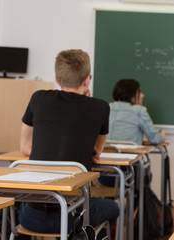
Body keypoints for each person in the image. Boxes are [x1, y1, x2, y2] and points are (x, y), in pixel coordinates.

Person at [19, 49, 119, 236]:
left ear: (57, 79)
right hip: (73, 216)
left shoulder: (38, 98)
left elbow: (24, 148)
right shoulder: (100, 107)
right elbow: (97, 151)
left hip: (32, 217)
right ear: (87, 80)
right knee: (113, 208)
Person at [107, 78, 165, 145]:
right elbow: (154, 139)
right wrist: (162, 135)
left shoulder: (107, 107)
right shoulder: (139, 111)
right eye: (139, 92)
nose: (142, 95)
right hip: (130, 154)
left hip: (106, 152)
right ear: (131, 95)